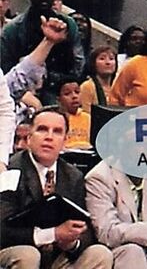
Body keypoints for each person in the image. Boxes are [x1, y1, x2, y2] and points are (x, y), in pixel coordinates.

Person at [0, 107, 112, 269]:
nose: (49, 137)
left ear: (65, 141)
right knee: (28, 255)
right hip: (14, 250)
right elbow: (2, 230)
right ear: (29, 137)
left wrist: (71, 242)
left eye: (57, 132)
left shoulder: (73, 176)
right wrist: (54, 233)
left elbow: (87, 232)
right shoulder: (10, 170)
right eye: (42, 129)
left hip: (56, 256)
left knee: (100, 254)